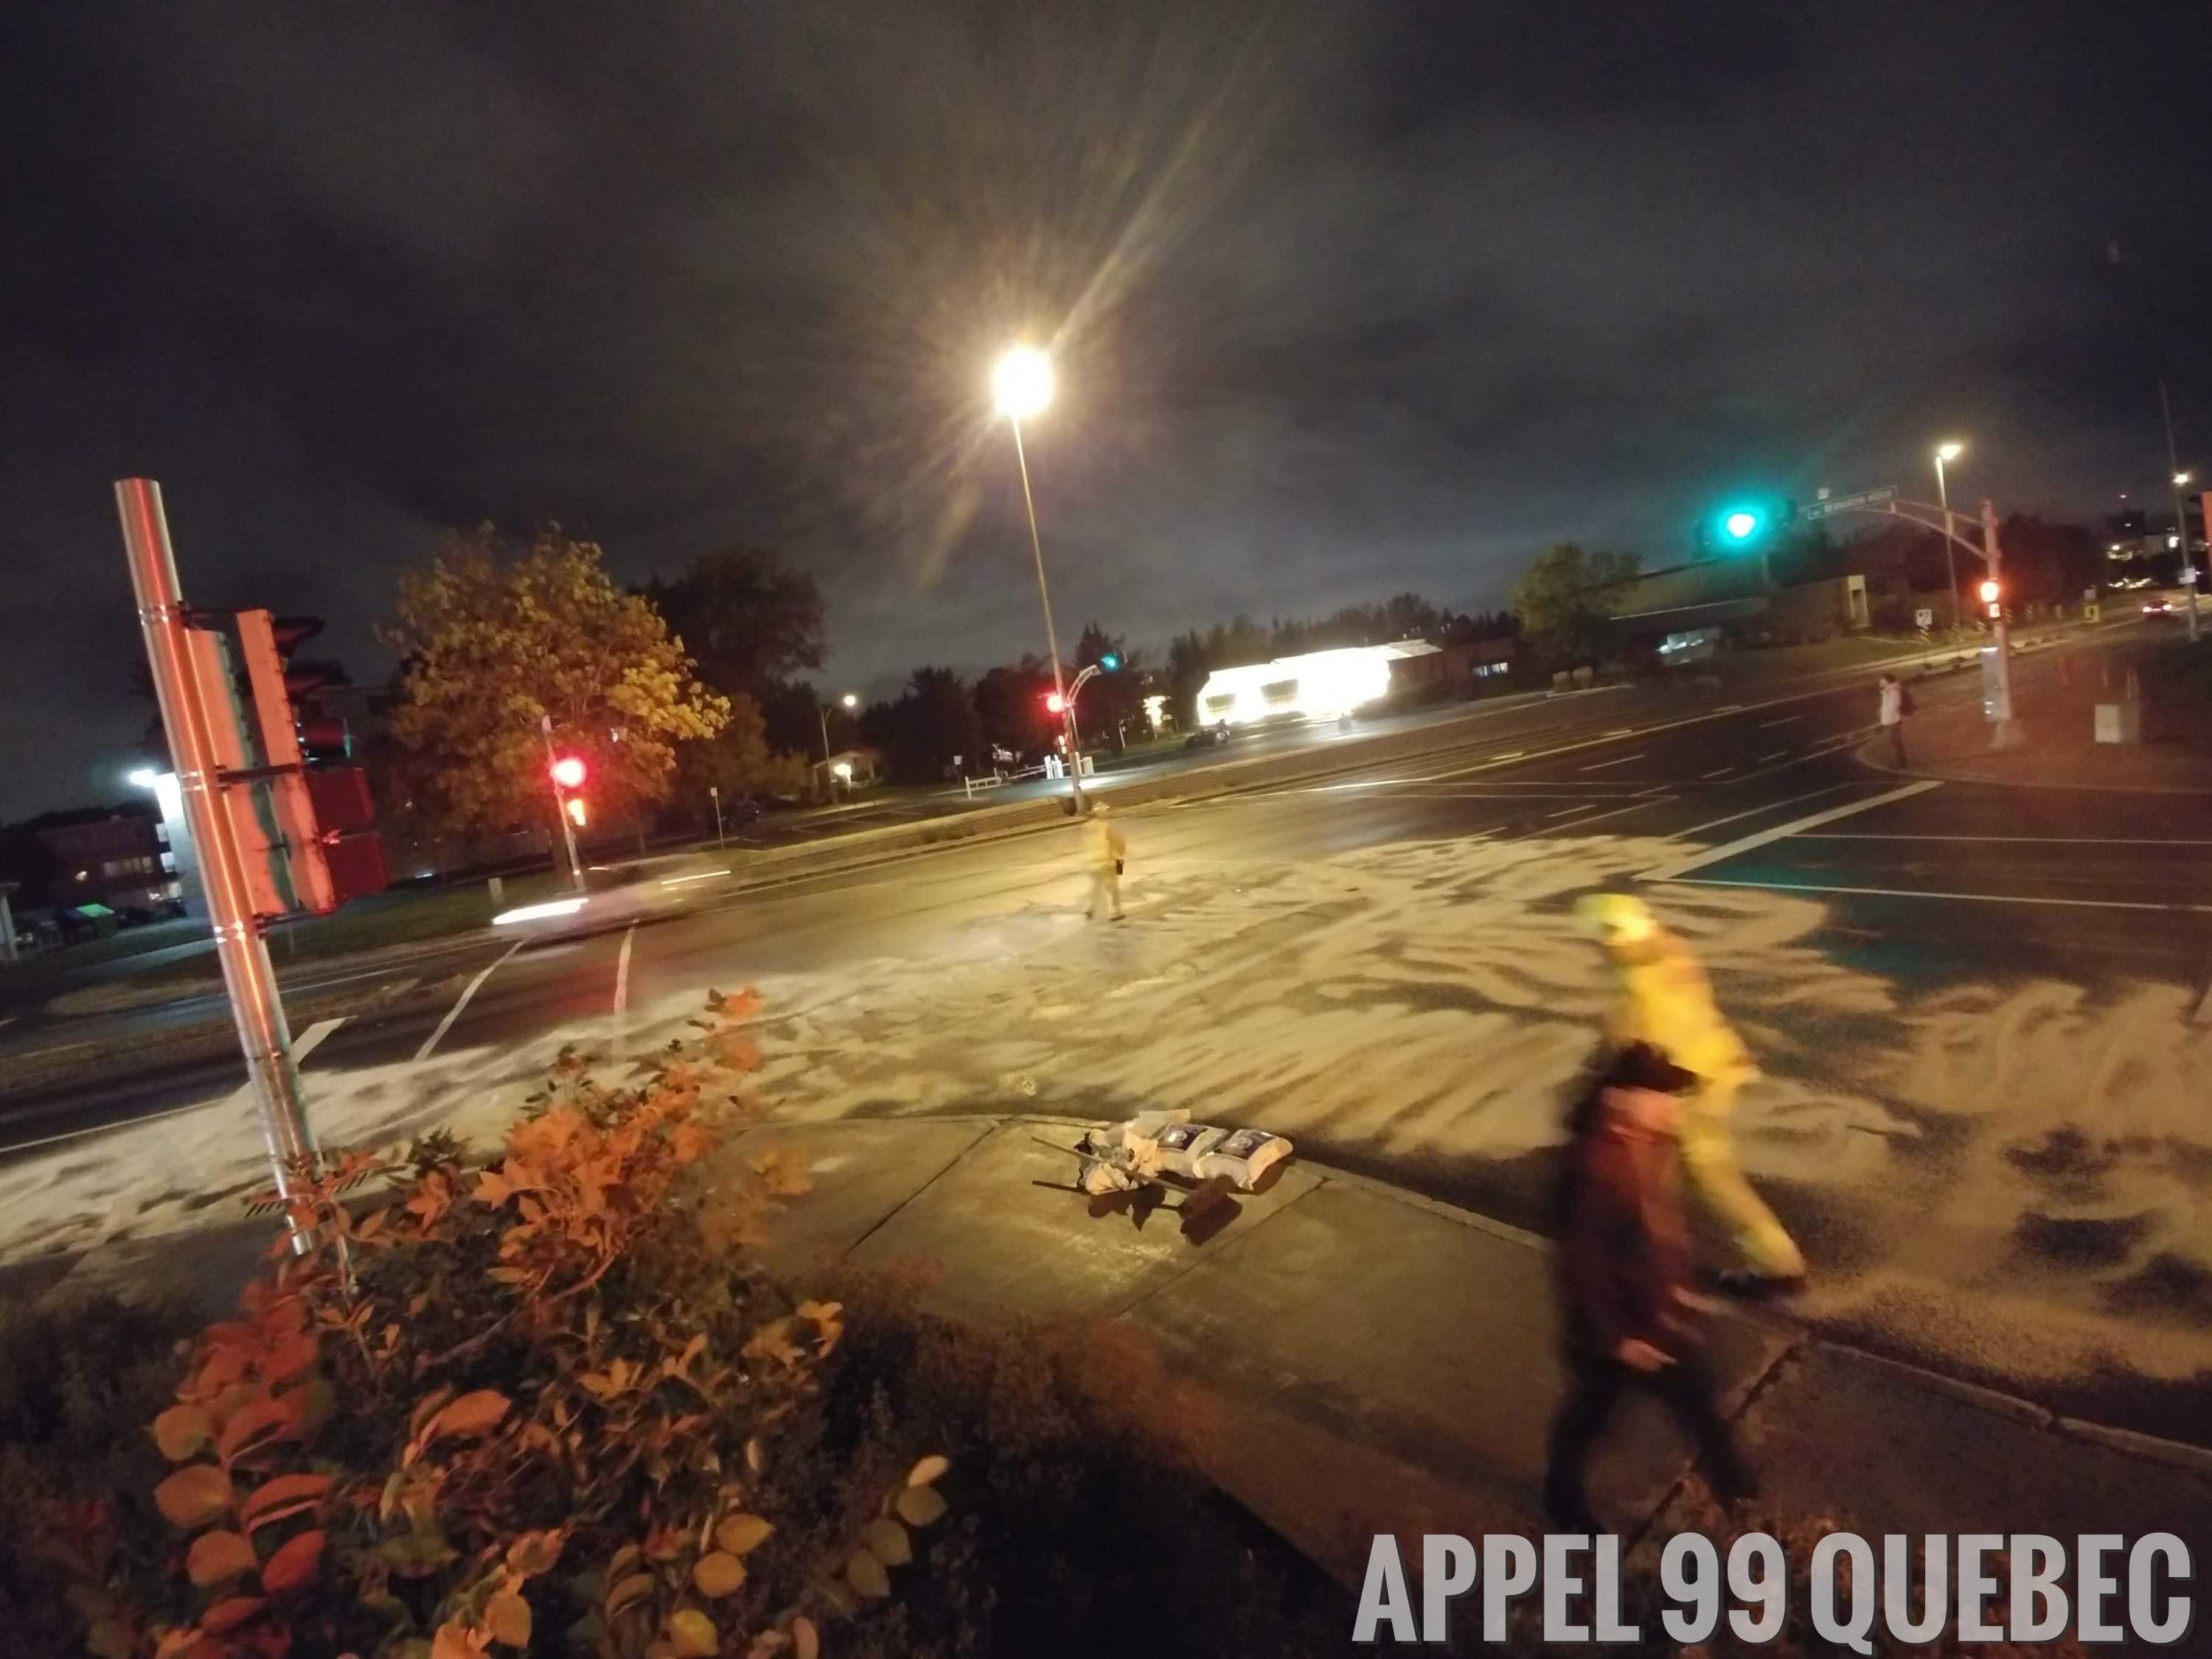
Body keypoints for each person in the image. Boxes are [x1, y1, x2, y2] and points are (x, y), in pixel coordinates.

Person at [1543, 1043, 1759, 1534]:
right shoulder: (1591, 1169)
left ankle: (1740, 1497)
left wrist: (1676, 1287)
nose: (1672, 1106)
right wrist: (1618, 1338)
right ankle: (1561, 1496)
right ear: (1620, 1100)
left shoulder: (1650, 1142)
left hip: (1655, 1314)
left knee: (1698, 1406)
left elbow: (1658, 1227)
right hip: (1616, 1331)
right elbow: (1583, 1264)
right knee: (1591, 1417)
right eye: (1660, 1096)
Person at [1576, 894, 1806, 1290]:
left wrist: (1621, 1086)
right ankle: (1657, 1256)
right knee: (1688, 1176)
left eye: (1597, 939)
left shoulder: (1639, 983)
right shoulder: (1669, 950)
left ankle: (1776, 1268)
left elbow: (1648, 1049)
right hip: (1716, 1067)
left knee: (1700, 1177)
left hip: (1693, 1086)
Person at [1083, 803, 1127, 921]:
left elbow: (1088, 844)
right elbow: (1119, 843)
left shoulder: (1087, 827)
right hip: (1107, 862)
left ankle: (1090, 909)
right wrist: (1119, 858)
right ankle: (1116, 912)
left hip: (1092, 862)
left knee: (1096, 886)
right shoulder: (1107, 827)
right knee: (1113, 888)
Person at [1877, 672, 1911, 765]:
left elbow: (1894, 705)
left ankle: (1898, 763)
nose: (1880, 681)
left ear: (1887, 681)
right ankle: (1900, 761)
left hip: (1893, 720)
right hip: (1891, 720)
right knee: (1895, 742)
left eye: (1882, 679)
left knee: (1894, 742)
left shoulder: (1893, 691)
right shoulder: (1888, 691)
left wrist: (1886, 715)